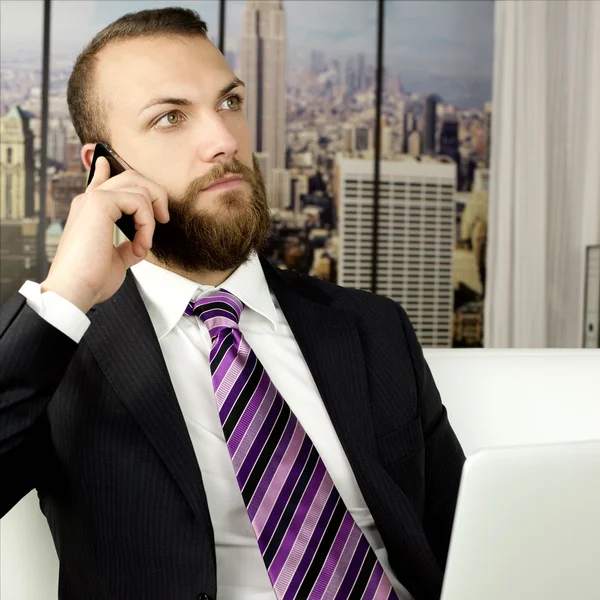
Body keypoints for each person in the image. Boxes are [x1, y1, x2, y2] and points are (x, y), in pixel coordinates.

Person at [0, 7, 465, 600]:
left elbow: (468, 545)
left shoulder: (373, 328)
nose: (223, 140)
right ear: (102, 168)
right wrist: (66, 294)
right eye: (170, 118)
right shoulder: (56, 350)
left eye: (230, 103)